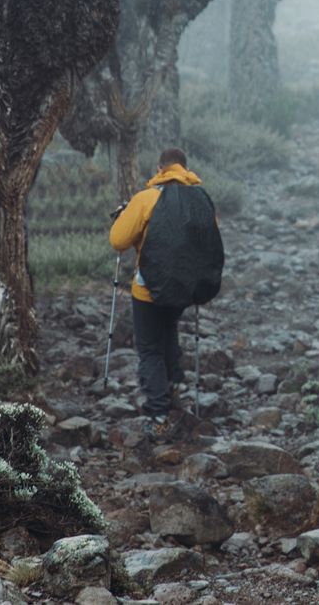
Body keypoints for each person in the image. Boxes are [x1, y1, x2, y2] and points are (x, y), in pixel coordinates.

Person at [109, 147, 218, 438]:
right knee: (169, 330)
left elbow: (118, 240)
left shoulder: (146, 198)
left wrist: (123, 218)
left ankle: (158, 413)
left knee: (149, 348)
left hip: (148, 289)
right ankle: (174, 386)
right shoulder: (201, 200)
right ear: (185, 168)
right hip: (185, 289)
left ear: (160, 169)